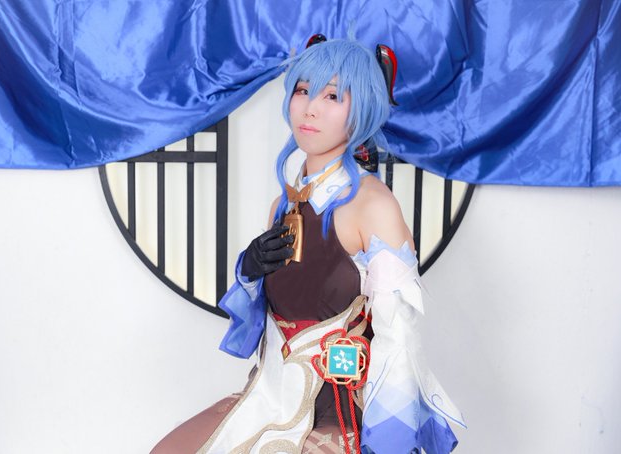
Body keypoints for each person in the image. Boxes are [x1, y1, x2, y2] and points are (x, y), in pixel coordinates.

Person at [151, 38, 464, 454]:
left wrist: (389, 443)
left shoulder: (373, 205)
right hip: (269, 398)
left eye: (332, 96)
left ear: (363, 109)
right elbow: (266, 322)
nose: (310, 108)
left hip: (340, 414)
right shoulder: (283, 204)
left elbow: (399, 338)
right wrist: (250, 271)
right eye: (302, 90)